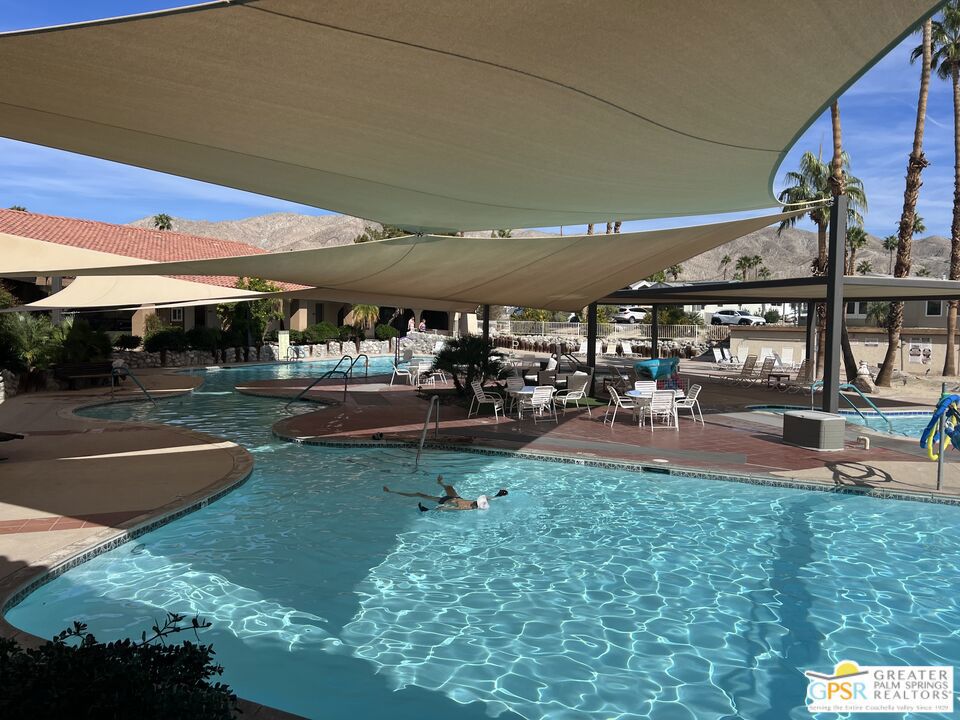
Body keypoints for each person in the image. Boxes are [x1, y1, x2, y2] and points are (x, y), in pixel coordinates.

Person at [383, 474, 508, 512]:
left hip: (446, 501)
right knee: (449, 487)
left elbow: (452, 508)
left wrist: (439, 508)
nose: (479, 500)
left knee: (419, 494)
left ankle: (391, 492)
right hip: (454, 497)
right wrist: (498, 495)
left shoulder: (467, 508)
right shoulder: (476, 502)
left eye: (479, 502)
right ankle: (440, 483)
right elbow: (487, 497)